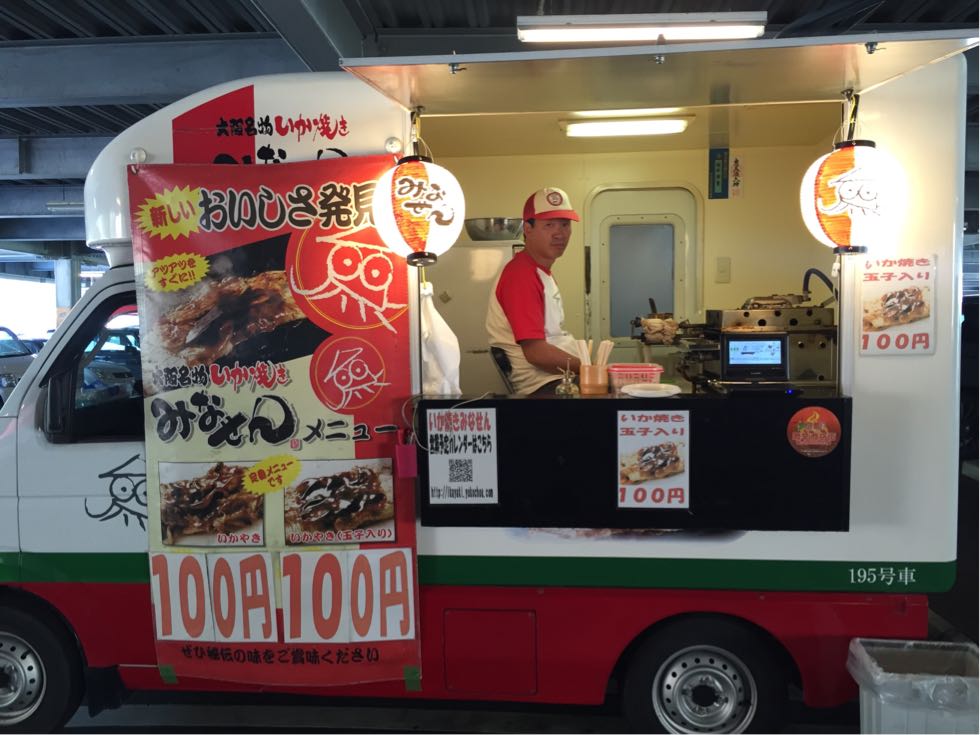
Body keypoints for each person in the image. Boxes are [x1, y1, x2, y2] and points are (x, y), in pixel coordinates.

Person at [486, 187, 582, 395]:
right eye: (549, 225)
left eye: (565, 225)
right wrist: (590, 368)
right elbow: (536, 353)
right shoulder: (521, 275)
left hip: (560, 378)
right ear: (528, 228)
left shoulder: (539, 272)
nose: (559, 233)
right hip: (544, 385)